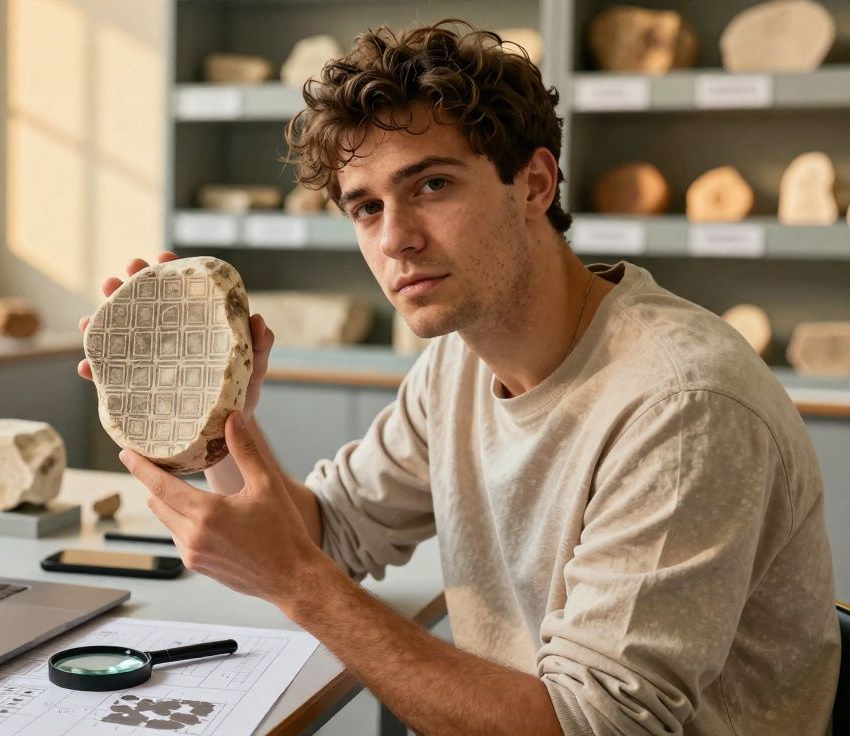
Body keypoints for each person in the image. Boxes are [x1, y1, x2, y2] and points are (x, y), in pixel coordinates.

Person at [77, 21, 838, 735]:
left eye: (432, 186)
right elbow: (334, 530)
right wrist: (214, 425)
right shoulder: (458, 358)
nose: (397, 240)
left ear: (535, 184)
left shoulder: (682, 405)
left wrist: (300, 586)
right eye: (366, 208)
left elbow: (593, 727)